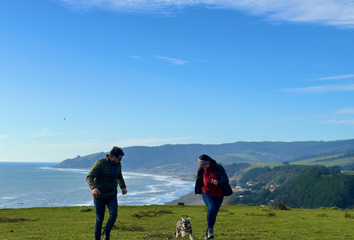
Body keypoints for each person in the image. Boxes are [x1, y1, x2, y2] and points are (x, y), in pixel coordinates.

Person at [86, 146, 127, 240]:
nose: (120, 161)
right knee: (99, 219)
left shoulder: (118, 165)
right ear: (113, 157)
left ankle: (106, 232)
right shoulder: (100, 163)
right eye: (119, 158)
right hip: (99, 196)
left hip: (111, 195)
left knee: (114, 214)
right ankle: (97, 238)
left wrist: (123, 187)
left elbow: (119, 176)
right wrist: (94, 188)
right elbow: (89, 177)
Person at [195, 154, 232, 240]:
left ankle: (208, 233)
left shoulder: (218, 168)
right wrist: (198, 189)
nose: (202, 166)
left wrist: (218, 182)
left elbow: (226, 180)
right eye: (201, 165)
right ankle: (209, 230)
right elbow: (199, 179)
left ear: (208, 163)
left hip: (219, 194)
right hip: (206, 192)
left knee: (214, 213)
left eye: (203, 165)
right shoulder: (202, 168)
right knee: (211, 208)